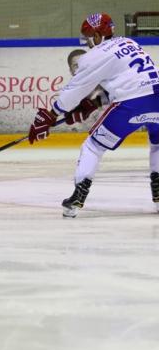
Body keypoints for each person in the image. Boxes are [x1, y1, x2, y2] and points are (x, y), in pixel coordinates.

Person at [29, 13, 159, 217]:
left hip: (132, 104)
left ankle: (78, 196)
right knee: (158, 142)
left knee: (93, 146)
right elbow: (128, 79)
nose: (87, 42)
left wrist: (51, 115)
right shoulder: (128, 42)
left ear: (98, 35)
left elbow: (76, 89)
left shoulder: (95, 55)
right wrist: (94, 103)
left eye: (88, 36)